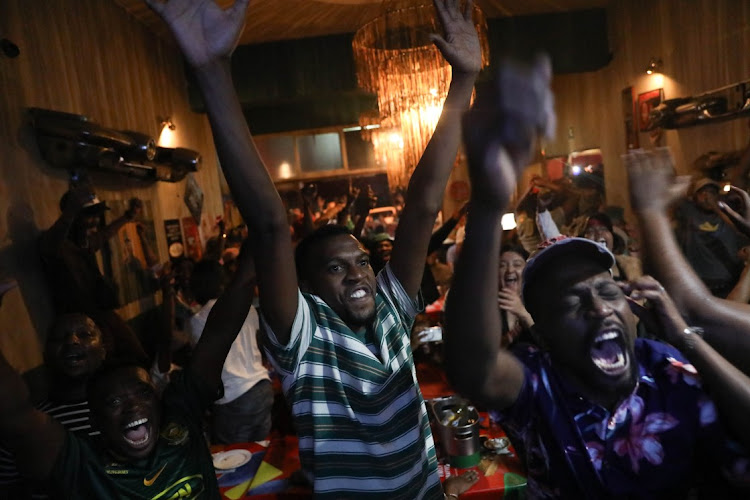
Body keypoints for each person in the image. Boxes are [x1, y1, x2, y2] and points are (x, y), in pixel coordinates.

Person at [146, 0, 482, 496]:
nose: (358, 275)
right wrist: (212, 71)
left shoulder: (392, 308)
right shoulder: (303, 338)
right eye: (335, 268)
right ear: (306, 289)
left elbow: (423, 201)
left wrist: (464, 81)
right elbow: (267, 224)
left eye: (362, 263)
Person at [444, 77, 750, 497]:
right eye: (572, 302)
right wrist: (486, 204)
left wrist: (685, 338)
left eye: (607, 293)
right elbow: (471, 367)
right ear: (544, 332)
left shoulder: (670, 370)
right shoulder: (538, 382)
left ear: (630, 306)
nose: (598, 308)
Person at [0, 237, 258, 498]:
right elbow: (16, 416)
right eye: (114, 402)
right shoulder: (88, 467)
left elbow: (218, 335)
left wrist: (257, 247)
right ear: (94, 421)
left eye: (143, 394)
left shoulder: (180, 419)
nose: (133, 406)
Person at [0, 313, 106, 498]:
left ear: (103, 350)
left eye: (85, 334)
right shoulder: (24, 425)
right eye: (59, 338)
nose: (72, 341)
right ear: (45, 355)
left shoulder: (129, 408)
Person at [40, 186, 148, 363]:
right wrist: (71, 211)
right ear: (74, 217)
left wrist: (128, 217)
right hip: (78, 326)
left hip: (101, 316)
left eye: (96, 216)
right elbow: (51, 243)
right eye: (89, 216)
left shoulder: (85, 244)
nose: (94, 221)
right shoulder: (59, 247)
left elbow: (105, 234)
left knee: (134, 355)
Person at [187, 256, 273, 444]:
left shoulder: (199, 320)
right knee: (260, 454)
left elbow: (203, 366)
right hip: (262, 387)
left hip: (233, 395)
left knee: (233, 459)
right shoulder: (247, 308)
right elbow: (258, 345)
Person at [673, 176, 745, 297]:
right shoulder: (689, 214)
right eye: (702, 192)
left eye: (712, 192)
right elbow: (677, 197)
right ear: (694, 197)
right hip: (704, 289)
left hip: (731, 284)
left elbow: (739, 233)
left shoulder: (727, 216)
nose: (707, 196)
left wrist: (716, 207)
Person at [497, 244, 533, 346]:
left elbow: (550, 347)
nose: (510, 270)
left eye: (517, 265)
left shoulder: (537, 302)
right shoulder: (486, 307)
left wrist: (523, 314)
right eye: (502, 265)